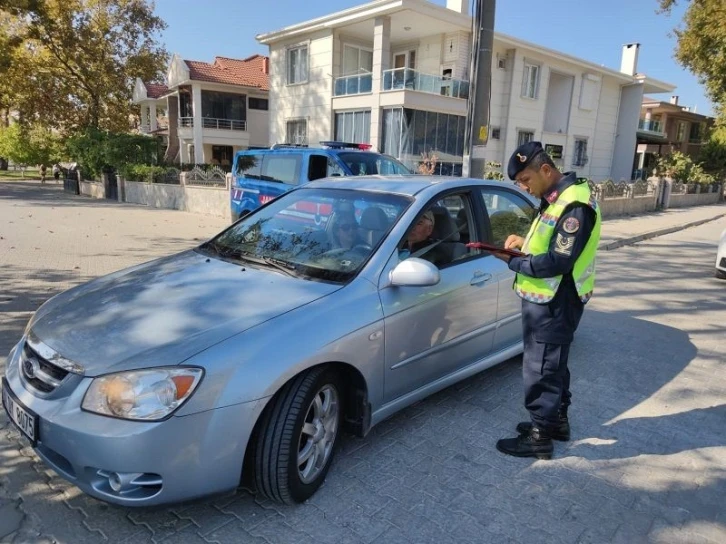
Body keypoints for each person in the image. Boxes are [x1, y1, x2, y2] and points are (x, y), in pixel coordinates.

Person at [492, 141, 602, 460]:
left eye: (525, 180)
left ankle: (540, 436)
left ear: (545, 169)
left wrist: (511, 261)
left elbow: (558, 261)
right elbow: (547, 243)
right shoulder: (557, 197)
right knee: (553, 363)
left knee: (540, 366)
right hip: (551, 296)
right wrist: (522, 245)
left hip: (556, 298)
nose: (523, 187)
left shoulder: (574, 205)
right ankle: (556, 423)